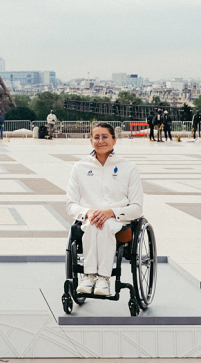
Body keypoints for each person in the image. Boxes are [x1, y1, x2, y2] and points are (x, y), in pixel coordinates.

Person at [66, 122, 143, 297]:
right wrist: (89, 212)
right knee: (95, 223)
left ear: (114, 140)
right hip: (89, 218)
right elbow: (71, 204)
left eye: (105, 136)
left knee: (106, 224)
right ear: (91, 140)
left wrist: (111, 212)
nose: (101, 141)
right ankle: (92, 276)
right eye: (96, 137)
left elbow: (137, 207)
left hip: (118, 219)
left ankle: (100, 277)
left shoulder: (129, 168)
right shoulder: (79, 168)